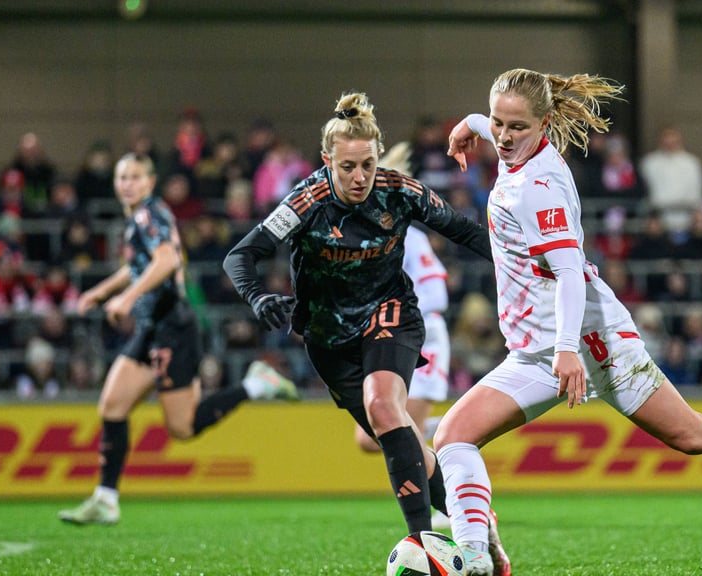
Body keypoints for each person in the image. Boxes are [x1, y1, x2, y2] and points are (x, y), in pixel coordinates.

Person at [437, 68, 702, 576]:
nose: (504, 137)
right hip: (538, 352)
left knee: (694, 436)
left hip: (591, 342)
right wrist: (470, 124)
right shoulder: (518, 148)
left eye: (516, 127)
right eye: (497, 123)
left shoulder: (538, 188)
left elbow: (571, 271)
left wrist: (568, 349)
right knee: (452, 437)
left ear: (545, 125)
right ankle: (478, 555)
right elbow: (497, 128)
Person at [223, 92, 491, 537]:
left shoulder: (399, 191)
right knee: (395, 435)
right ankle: (478, 527)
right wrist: (257, 297)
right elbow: (240, 255)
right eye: (348, 166)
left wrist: (524, 265)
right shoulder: (306, 202)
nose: (360, 176)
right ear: (327, 161)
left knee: (384, 407)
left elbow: (466, 232)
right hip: (328, 338)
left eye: (368, 164)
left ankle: (421, 541)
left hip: (390, 313)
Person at [58, 153, 289, 526]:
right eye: (122, 177)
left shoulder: (149, 215)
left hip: (173, 328)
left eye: (135, 177)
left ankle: (256, 385)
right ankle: (105, 499)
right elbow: (138, 266)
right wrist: (101, 292)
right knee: (112, 406)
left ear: (150, 182)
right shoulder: (142, 217)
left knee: (182, 427)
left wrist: (126, 299)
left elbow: (167, 261)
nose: (127, 184)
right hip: (151, 327)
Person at [352, 225, 453, 529]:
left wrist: (397, 317)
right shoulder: (357, 233)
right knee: (368, 439)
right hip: (385, 336)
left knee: (401, 434)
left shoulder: (409, 236)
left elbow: (436, 292)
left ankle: (448, 502)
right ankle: (453, 427)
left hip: (420, 334)